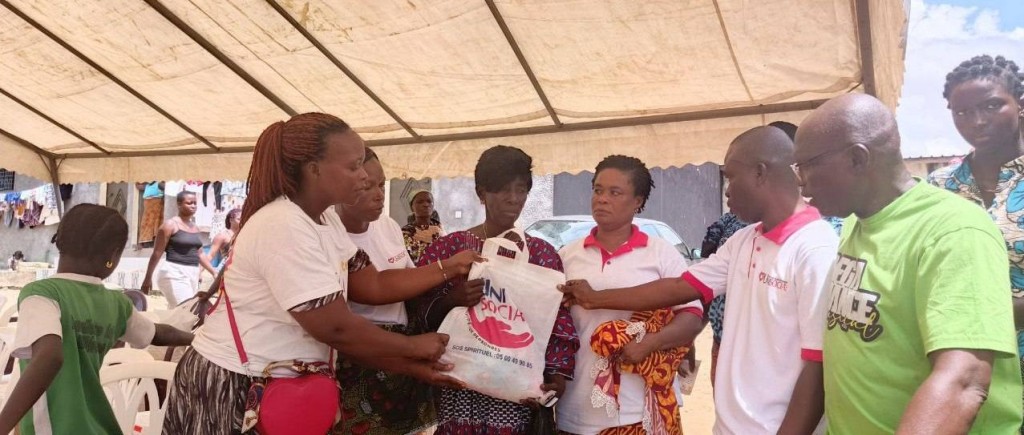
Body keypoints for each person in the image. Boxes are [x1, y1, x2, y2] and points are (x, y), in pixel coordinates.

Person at [162, 113, 477, 434]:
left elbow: (373, 284)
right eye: (353, 166)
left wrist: (448, 267)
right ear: (314, 170)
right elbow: (335, 327)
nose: (364, 177)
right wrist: (412, 349)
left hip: (284, 386)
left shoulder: (326, 221)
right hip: (237, 387)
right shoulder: (283, 224)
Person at [561, 126, 838, 434]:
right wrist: (594, 298)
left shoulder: (814, 248)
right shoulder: (744, 240)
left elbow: (819, 365)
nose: (727, 191)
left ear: (760, 173)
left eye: (731, 177)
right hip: (731, 427)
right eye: (598, 190)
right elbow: (680, 288)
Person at [794, 93, 1022, 433]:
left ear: (857, 159)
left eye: (806, 165)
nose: (800, 180)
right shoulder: (858, 222)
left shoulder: (953, 231)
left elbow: (964, 381)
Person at [411, 145, 579, 434]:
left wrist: (557, 374)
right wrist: (451, 300)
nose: (514, 198)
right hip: (458, 388)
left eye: (521, 190)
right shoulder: (449, 249)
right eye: (503, 190)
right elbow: (416, 313)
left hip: (516, 393)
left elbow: (557, 319)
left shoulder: (542, 255)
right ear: (481, 193)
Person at [0, 204, 194, 434]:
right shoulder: (116, 303)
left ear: (59, 240)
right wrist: (195, 338)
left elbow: (49, 356)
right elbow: (157, 333)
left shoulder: (41, 294)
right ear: (113, 255)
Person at [556, 155, 704, 435]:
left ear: (638, 201)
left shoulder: (660, 254)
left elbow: (692, 317)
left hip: (639, 411)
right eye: (598, 190)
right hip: (575, 409)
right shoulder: (568, 255)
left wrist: (650, 343)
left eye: (615, 192)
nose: (602, 199)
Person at [927, 55, 1024, 424]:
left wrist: (988, 316)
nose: (977, 121)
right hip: (961, 361)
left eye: (991, 105)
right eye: (962, 112)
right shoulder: (939, 186)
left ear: (1020, 104)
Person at [333, 148, 438, 433]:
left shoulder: (388, 226)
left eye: (382, 185)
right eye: (368, 186)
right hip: (361, 356)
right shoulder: (329, 234)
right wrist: (445, 268)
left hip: (402, 352)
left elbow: (408, 278)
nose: (379, 195)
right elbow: (376, 288)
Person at [140, 191, 216, 307]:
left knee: (177, 311)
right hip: (174, 272)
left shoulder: (195, 227)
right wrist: (148, 278)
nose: (193, 206)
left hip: (192, 273)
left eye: (195, 203)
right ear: (179, 204)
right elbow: (157, 253)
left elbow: (200, 253)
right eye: (189, 203)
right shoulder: (169, 225)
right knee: (186, 308)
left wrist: (214, 272)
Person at [698, 212, 747, 389]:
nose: (727, 197)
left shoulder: (809, 235)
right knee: (723, 400)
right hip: (722, 340)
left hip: (767, 350)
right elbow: (708, 282)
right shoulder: (729, 222)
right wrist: (690, 333)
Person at [403, 190, 444, 264]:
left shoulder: (440, 230)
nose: (426, 204)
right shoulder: (405, 233)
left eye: (429, 201)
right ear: (412, 207)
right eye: (420, 202)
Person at [203, 207, 241, 272]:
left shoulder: (244, 235)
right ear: (231, 220)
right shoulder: (222, 236)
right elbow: (210, 255)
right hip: (226, 270)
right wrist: (198, 273)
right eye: (239, 219)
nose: (242, 221)